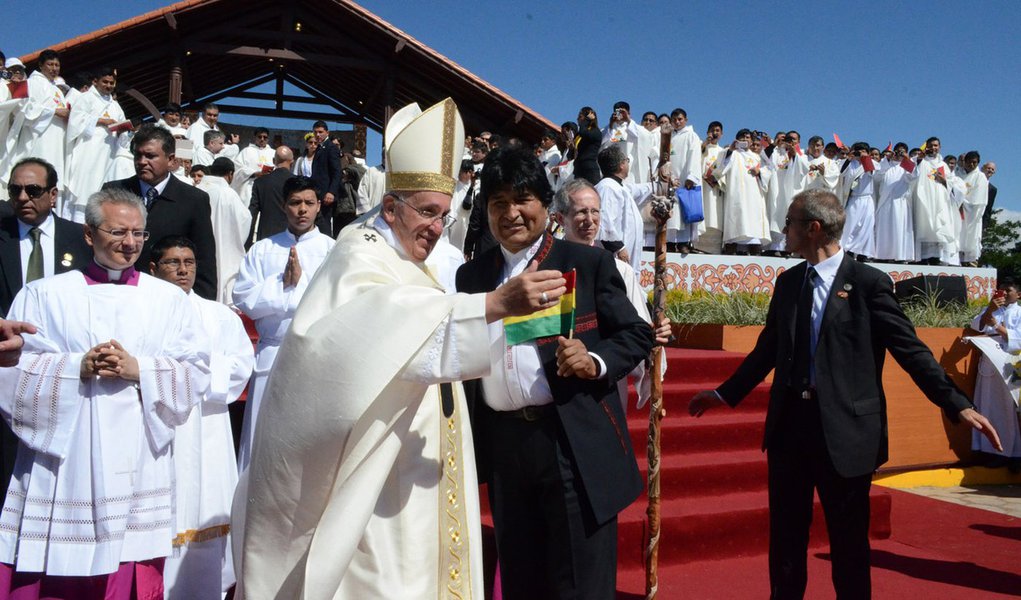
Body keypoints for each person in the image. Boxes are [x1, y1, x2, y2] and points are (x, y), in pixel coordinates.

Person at [234, 98, 560, 598]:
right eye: (427, 212)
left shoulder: (411, 260)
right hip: (377, 466)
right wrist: (492, 304)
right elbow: (367, 334)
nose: (436, 227)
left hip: (421, 459)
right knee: (386, 575)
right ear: (390, 207)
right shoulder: (358, 251)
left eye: (444, 216)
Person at [688, 188, 1001, 600]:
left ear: (813, 229)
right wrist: (724, 394)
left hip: (847, 435)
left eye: (790, 223)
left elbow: (910, 351)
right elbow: (768, 348)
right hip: (790, 431)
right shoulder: (789, 282)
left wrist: (956, 403)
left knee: (849, 547)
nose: (784, 231)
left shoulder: (869, 283)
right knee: (785, 542)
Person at [457, 145, 654, 600]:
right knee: (523, 580)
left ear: (546, 205)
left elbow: (635, 334)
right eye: (498, 203)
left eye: (522, 199)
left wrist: (595, 361)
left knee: (578, 584)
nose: (511, 213)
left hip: (570, 441)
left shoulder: (585, 263)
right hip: (505, 446)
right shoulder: (471, 278)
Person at [0, 187, 211, 597]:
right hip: (66, 458)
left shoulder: (169, 299)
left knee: (128, 564)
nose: (129, 243)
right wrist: (76, 366)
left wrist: (141, 369)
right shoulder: (45, 294)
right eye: (117, 232)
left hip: (138, 454)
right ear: (88, 234)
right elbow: (12, 371)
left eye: (138, 234)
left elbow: (197, 371)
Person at [149, 235, 254, 600]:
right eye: (173, 263)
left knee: (206, 505)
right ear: (153, 268)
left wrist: (193, 376)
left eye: (189, 262)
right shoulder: (145, 312)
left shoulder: (219, 315)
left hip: (207, 425)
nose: (182, 270)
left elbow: (242, 364)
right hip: (161, 425)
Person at [232, 175, 334, 470]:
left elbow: (340, 299)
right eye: (295, 202)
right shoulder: (263, 249)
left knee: (309, 435)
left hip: (315, 353)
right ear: (283, 206)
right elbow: (242, 296)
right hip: (272, 351)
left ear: (318, 207)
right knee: (262, 435)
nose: (302, 209)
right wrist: (281, 284)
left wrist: (298, 287)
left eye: (308, 203)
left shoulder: (333, 250)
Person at [553, 178, 669, 411]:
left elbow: (638, 330)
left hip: (605, 377)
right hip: (555, 376)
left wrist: (654, 331)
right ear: (560, 218)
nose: (589, 220)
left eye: (595, 212)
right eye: (581, 212)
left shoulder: (620, 270)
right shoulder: (548, 267)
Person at [103, 123, 219, 300]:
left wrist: (203, 307)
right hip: (117, 295)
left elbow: (204, 259)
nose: (142, 162)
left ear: (171, 160)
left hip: (169, 300)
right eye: (138, 155)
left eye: (150, 156)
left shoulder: (194, 200)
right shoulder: (113, 193)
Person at [967, 279, 1021, 463]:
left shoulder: (1020, 312)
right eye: (1002, 290)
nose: (1004, 293)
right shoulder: (992, 308)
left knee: (1007, 409)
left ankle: (1011, 453)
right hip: (989, 361)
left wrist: (997, 326)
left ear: (1018, 295)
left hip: (1009, 362)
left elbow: (1018, 340)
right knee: (986, 405)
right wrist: (990, 310)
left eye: (1009, 290)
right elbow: (976, 326)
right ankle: (988, 451)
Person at [64, 67, 127, 223]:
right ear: (95, 81)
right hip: (88, 149)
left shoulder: (115, 105)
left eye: (112, 83)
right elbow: (75, 122)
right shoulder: (86, 98)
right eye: (105, 82)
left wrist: (122, 131)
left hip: (108, 153)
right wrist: (100, 121)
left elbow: (122, 127)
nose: (109, 86)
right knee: (85, 187)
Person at [3, 50, 69, 196]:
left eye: (57, 65)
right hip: (39, 139)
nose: (54, 68)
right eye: (50, 64)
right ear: (40, 65)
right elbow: (25, 109)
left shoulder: (56, 89)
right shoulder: (32, 83)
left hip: (56, 140)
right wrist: (55, 112)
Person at [197, 157, 251, 304]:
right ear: (230, 174)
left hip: (198, 251)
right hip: (223, 250)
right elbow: (244, 220)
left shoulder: (197, 188)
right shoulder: (228, 194)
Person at [595, 145, 654, 274]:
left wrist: (658, 184)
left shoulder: (617, 186)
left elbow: (638, 190)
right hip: (615, 255)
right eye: (627, 160)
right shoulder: (607, 188)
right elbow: (604, 221)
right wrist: (618, 248)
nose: (628, 163)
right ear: (621, 165)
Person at [715, 129, 769, 254]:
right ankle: (731, 247)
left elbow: (769, 171)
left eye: (748, 137)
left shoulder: (757, 157)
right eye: (742, 137)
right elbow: (720, 168)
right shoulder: (732, 153)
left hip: (754, 195)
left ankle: (754, 248)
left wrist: (760, 172)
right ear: (737, 140)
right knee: (736, 218)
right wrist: (730, 150)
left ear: (751, 141)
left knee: (753, 221)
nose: (745, 139)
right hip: (736, 194)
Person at [910, 136, 955, 265]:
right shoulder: (921, 161)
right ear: (926, 146)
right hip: (924, 199)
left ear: (940, 147)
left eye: (936, 145)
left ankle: (936, 257)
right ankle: (923, 257)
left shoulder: (943, 165)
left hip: (940, 200)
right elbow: (911, 174)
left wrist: (945, 181)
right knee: (924, 224)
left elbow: (953, 182)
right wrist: (919, 159)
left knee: (938, 227)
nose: (933, 148)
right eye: (931, 145)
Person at [663, 108, 703, 253]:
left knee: (685, 210)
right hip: (670, 179)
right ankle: (670, 242)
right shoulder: (669, 136)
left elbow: (694, 156)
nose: (677, 122)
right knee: (672, 213)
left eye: (680, 119)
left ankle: (684, 243)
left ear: (686, 120)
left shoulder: (691, 136)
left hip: (685, 180)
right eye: (674, 119)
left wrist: (691, 177)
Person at [873, 143, 916, 262]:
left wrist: (906, 159)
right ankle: (882, 256)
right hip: (885, 202)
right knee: (884, 229)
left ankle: (900, 256)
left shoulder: (906, 167)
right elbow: (877, 177)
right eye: (897, 151)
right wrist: (886, 160)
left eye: (902, 151)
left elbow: (913, 176)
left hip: (900, 203)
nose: (899, 154)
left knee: (899, 229)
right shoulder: (886, 165)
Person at [836, 141, 877, 260]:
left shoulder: (872, 162)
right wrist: (849, 158)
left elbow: (872, 173)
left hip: (867, 198)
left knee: (866, 226)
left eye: (863, 150)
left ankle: (863, 252)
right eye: (858, 150)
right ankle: (847, 250)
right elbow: (840, 173)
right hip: (853, 198)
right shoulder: (849, 162)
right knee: (850, 225)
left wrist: (865, 158)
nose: (860, 153)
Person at [248, 145, 295, 243]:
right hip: (292, 235)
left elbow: (252, 213)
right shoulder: (298, 183)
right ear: (292, 162)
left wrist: (248, 241)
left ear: (274, 161)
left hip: (266, 236)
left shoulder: (260, 182)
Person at [309, 120, 343, 235]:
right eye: (315, 132)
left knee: (324, 225)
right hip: (318, 193)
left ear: (327, 132)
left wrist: (331, 192)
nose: (317, 135)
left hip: (326, 195)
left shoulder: (331, 148)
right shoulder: (319, 148)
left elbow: (337, 171)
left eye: (320, 132)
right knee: (318, 223)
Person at [958, 150, 989, 267]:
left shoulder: (980, 177)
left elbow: (978, 198)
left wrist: (962, 202)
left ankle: (971, 260)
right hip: (958, 211)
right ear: (964, 162)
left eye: (974, 163)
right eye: (969, 162)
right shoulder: (958, 174)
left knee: (971, 237)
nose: (971, 165)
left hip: (972, 214)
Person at [232, 127, 275, 207]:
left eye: (265, 137)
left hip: (268, 188)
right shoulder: (246, 151)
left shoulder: (273, 153)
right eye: (259, 137)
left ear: (268, 139)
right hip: (250, 187)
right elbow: (238, 168)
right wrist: (254, 173)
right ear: (255, 138)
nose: (262, 139)